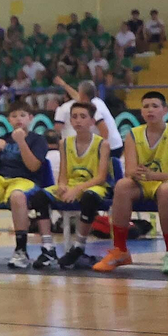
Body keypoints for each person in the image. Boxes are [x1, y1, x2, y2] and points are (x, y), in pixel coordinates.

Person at [95, 91, 168, 274]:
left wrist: (154, 176)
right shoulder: (133, 134)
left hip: (167, 183)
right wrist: (137, 173)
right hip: (144, 182)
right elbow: (129, 170)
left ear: (164, 110)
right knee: (122, 185)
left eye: (155, 106)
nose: (150, 110)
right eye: (146, 106)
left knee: (167, 191)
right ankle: (120, 251)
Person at [0, 105, 54, 268]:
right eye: (14, 116)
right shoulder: (3, 139)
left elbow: (34, 166)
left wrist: (21, 142)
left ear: (30, 118)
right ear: (9, 120)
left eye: (22, 115)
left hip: (26, 180)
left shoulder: (37, 140)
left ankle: (21, 251)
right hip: (0, 180)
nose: (18, 119)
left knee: (17, 196)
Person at [49, 102, 111, 270]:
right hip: (71, 184)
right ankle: (47, 248)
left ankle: (79, 246)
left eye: (83, 117)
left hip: (95, 186)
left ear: (92, 121)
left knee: (89, 196)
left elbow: (101, 177)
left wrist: (77, 189)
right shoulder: (64, 143)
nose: (78, 121)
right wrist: (61, 185)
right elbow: (63, 174)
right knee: (40, 197)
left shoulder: (102, 144)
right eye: (74, 117)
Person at [53, 78, 121, 158]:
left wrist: (100, 150)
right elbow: (76, 96)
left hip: (111, 147)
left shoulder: (94, 108)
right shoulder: (96, 101)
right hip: (116, 144)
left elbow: (104, 130)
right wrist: (64, 84)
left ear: (82, 94)